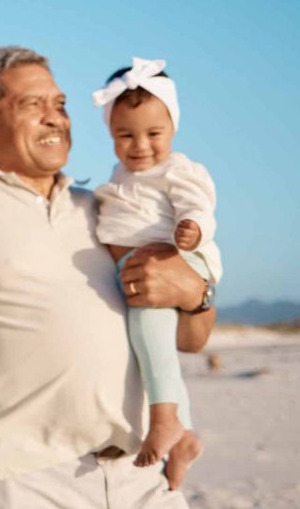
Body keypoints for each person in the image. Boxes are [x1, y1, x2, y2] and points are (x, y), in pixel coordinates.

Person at [0, 46, 216, 508]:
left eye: (61, 105)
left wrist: (196, 294)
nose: (56, 119)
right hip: (26, 482)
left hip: (143, 473)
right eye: (33, 105)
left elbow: (191, 340)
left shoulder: (108, 209)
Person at [92, 57, 219, 489]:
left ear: (173, 129)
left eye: (153, 134)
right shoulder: (120, 177)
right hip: (143, 268)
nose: (139, 145)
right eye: (125, 135)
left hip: (176, 259)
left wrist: (194, 228)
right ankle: (182, 436)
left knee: (150, 331)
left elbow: (198, 204)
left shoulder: (176, 170)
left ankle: (165, 421)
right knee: (157, 348)